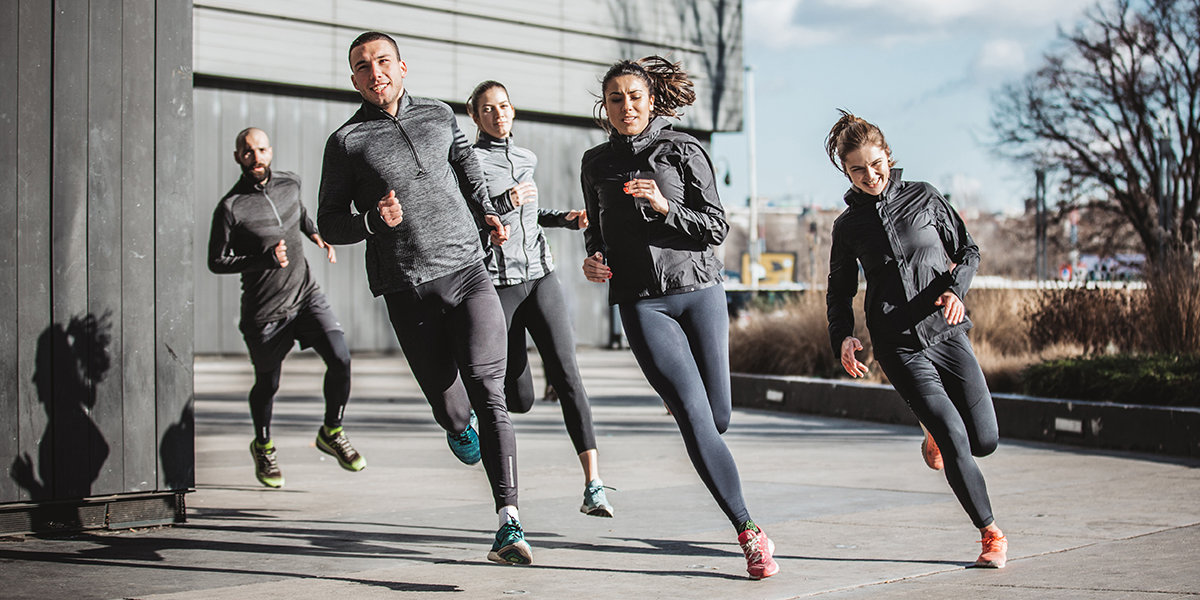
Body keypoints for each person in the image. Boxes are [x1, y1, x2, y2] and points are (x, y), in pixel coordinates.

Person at [316, 32, 531, 566]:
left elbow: (468, 168)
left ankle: (509, 522)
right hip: (407, 288)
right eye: (362, 67)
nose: (375, 72)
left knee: (490, 390)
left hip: (468, 271)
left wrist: (488, 212)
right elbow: (329, 221)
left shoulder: (438, 115)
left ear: (402, 66)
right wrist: (371, 220)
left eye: (383, 61)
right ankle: (458, 428)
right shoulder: (347, 142)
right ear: (354, 79)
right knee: (453, 407)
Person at [580, 56, 779, 580]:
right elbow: (595, 232)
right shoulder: (595, 162)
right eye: (616, 99)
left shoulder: (683, 149)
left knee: (718, 418)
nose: (626, 107)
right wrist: (594, 259)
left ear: (651, 99)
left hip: (699, 290)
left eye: (635, 97)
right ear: (606, 106)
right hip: (641, 301)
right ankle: (749, 531)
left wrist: (667, 206)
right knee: (696, 422)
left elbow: (716, 227)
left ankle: (687, 401)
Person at [823, 109, 1008, 568]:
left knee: (983, 440)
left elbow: (968, 249)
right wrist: (843, 337)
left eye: (876, 163)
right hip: (898, 344)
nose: (871, 175)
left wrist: (955, 290)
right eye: (857, 170)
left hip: (946, 331)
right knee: (953, 436)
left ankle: (932, 433)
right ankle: (990, 534)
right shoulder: (848, 227)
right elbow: (839, 289)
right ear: (846, 172)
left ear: (888, 155)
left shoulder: (924, 198)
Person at [466, 80, 614, 518]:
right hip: (499, 286)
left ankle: (594, 485)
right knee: (520, 398)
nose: (499, 114)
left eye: (505, 106)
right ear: (475, 117)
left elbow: (531, 215)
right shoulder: (469, 163)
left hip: (541, 277)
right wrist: (504, 201)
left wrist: (564, 219)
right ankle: (473, 415)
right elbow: (470, 219)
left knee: (569, 376)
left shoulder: (526, 157)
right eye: (488, 109)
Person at [207, 127, 364, 489]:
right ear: (238, 157)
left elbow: (300, 213)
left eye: (261, 150)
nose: (256, 157)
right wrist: (262, 259)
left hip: (305, 295)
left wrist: (315, 234)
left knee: (340, 358)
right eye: (248, 152)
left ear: (270, 151)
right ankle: (263, 444)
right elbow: (217, 261)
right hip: (265, 312)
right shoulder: (230, 208)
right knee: (268, 382)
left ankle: (332, 430)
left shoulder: (290, 183)